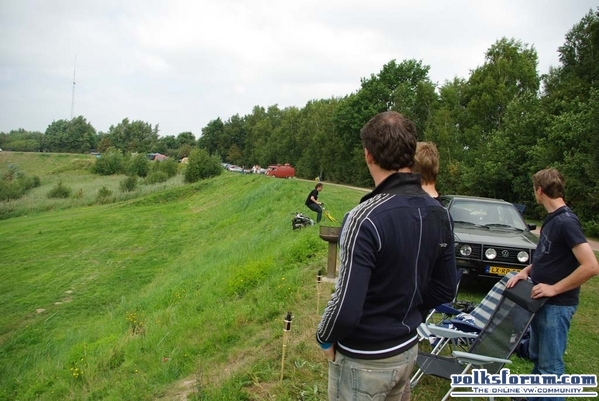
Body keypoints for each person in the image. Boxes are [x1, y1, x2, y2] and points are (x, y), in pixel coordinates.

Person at [316, 111, 457, 401]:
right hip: (407, 349)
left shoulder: (362, 218)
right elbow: (446, 288)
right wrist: (406, 313)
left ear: (368, 155)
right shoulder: (440, 214)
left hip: (363, 361)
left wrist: (324, 336)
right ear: (410, 152)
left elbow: (346, 306)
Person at [506, 168, 598, 401]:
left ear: (539, 190)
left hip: (556, 305)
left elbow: (591, 266)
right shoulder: (553, 219)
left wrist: (554, 288)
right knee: (539, 359)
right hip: (541, 302)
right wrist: (525, 271)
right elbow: (546, 256)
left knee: (551, 369)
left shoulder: (566, 222)